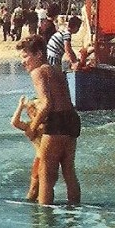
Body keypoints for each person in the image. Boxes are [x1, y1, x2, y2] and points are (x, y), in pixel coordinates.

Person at [16, 35, 81, 206]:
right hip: (72, 119)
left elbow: (46, 104)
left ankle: (45, 224)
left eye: (25, 56)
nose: (23, 62)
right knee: (69, 172)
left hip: (57, 121)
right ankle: (74, 215)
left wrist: (32, 127)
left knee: (45, 174)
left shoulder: (38, 72)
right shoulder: (56, 70)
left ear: (38, 54)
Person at [11, 95, 44, 202]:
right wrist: (20, 106)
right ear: (32, 112)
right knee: (34, 190)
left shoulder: (49, 123)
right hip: (40, 160)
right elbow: (14, 123)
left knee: (45, 189)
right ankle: (33, 211)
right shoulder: (31, 126)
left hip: (51, 159)